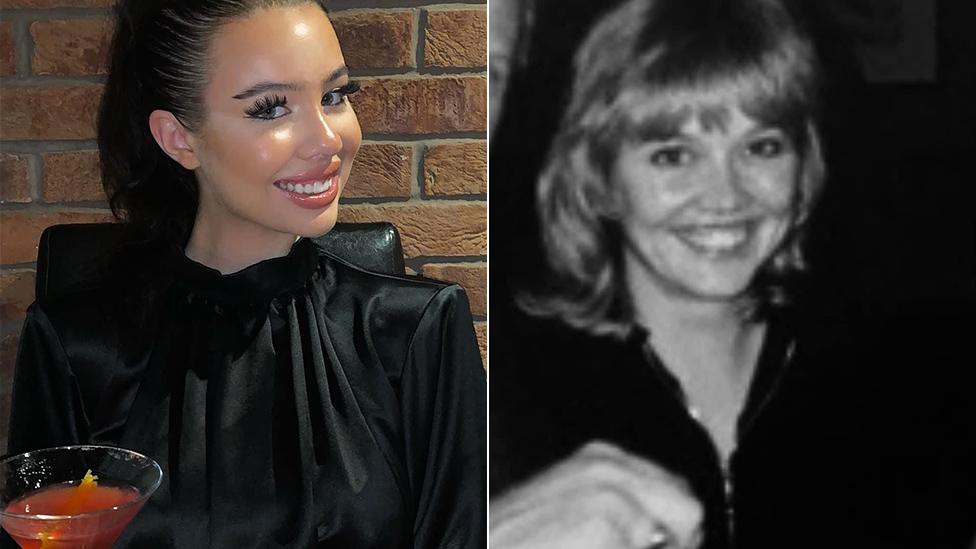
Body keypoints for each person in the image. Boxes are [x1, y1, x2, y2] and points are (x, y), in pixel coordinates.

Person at [489, 0, 975, 548]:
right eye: (673, 155)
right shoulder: (501, 397)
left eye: (762, 148)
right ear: (598, 180)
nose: (726, 196)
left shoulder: (897, 385)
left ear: (804, 171)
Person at [5, 1, 485, 547]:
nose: (328, 140)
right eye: (271, 108)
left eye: (333, 96)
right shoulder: (76, 344)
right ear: (179, 139)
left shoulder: (418, 332)